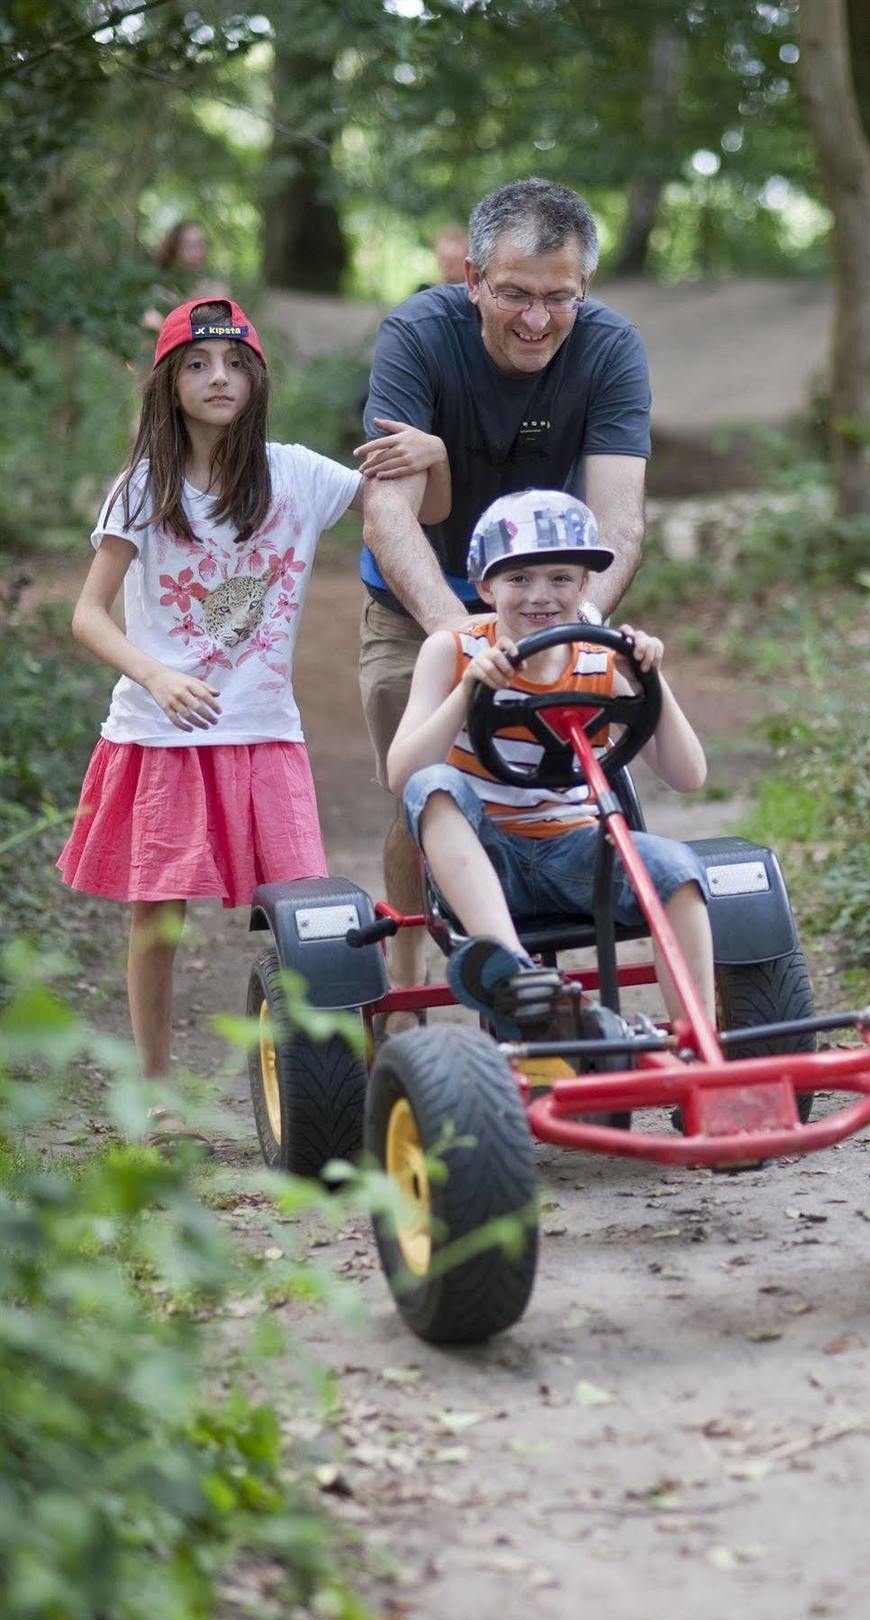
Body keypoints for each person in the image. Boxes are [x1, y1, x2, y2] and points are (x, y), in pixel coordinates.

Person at [57, 296, 449, 1145]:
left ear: (257, 377)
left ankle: (337, 1090)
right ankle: (156, 1096)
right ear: (170, 383)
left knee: (316, 919)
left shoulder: (298, 474)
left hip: (267, 732)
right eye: (197, 365)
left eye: (234, 364)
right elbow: (88, 615)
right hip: (165, 736)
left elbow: (418, 512)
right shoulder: (144, 488)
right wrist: (155, 673)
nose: (218, 379)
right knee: (157, 918)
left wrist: (436, 455)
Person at [353, 177, 652, 1015]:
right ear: (473, 280)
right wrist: (462, 639)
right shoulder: (417, 335)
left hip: (546, 598)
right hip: (421, 601)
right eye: (514, 293)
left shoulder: (611, 350)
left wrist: (577, 627)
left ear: (584, 291)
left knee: (558, 778)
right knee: (422, 787)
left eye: (558, 298)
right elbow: (386, 508)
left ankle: (545, 968)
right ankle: (409, 988)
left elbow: (620, 521)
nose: (535, 318)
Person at [385, 489, 714, 1034]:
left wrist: (648, 682)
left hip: (577, 851)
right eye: (519, 580)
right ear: (486, 587)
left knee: (680, 872)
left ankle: (696, 1046)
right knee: (435, 783)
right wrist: (466, 691)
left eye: (561, 578)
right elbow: (404, 777)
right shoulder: (452, 650)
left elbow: (688, 776)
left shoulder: (605, 659)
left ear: (586, 586)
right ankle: (513, 971)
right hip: (484, 856)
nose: (541, 595)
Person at [141, 220, 225, 333]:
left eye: (200, 245)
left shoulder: (216, 290)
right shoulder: (161, 292)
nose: (196, 253)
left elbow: (226, 333)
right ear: (174, 250)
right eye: (189, 246)